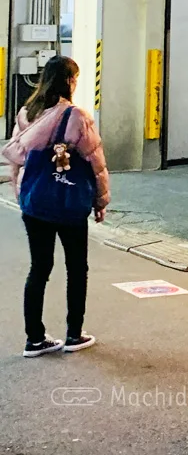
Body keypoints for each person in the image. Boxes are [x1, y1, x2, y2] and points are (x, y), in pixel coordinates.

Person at [2, 56, 109, 357]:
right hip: (69, 203)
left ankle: (34, 339)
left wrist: (21, 194)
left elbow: (17, 161)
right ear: (70, 80)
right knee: (77, 268)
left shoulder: (28, 112)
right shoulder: (75, 116)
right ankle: (74, 334)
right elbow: (95, 163)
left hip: (35, 203)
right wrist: (101, 201)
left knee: (39, 268)